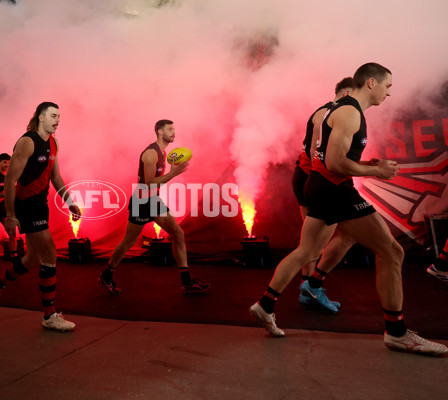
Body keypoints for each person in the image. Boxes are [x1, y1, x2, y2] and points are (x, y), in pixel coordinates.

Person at [249, 62, 447, 356]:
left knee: (306, 252)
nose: (389, 93)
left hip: (321, 185)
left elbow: (331, 157)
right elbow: (334, 162)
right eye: (387, 86)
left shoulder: (338, 109)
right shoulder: (350, 113)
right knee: (393, 252)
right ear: (370, 82)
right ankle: (396, 332)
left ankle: (265, 305)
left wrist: (369, 165)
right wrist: (376, 172)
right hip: (333, 188)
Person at [0, 101, 80, 331]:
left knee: (33, 258)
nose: (57, 120)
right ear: (41, 117)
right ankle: (49, 315)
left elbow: (55, 177)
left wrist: (70, 202)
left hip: (41, 203)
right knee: (50, 254)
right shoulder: (27, 142)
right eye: (53, 116)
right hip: (26, 205)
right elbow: (9, 180)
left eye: (59, 116)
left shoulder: (54, 142)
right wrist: (11, 215)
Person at [98, 119, 210, 296]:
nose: (174, 132)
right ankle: (107, 274)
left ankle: (186, 281)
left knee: (178, 233)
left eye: (174, 129)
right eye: (170, 129)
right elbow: (149, 183)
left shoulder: (164, 152)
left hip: (153, 200)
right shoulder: (151, 154)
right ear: (159, 132)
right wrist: (172, 174)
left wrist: (170, 174)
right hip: (142, 202)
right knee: (128, 242)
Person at [290, 77, 357, 312]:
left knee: (316, 241)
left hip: (312, 176)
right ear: (347, 91)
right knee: (314, 242)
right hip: (313, 177)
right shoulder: (328, 111)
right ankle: (307, 287)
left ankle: (309, 287)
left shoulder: (332, 111)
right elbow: (314, 150)